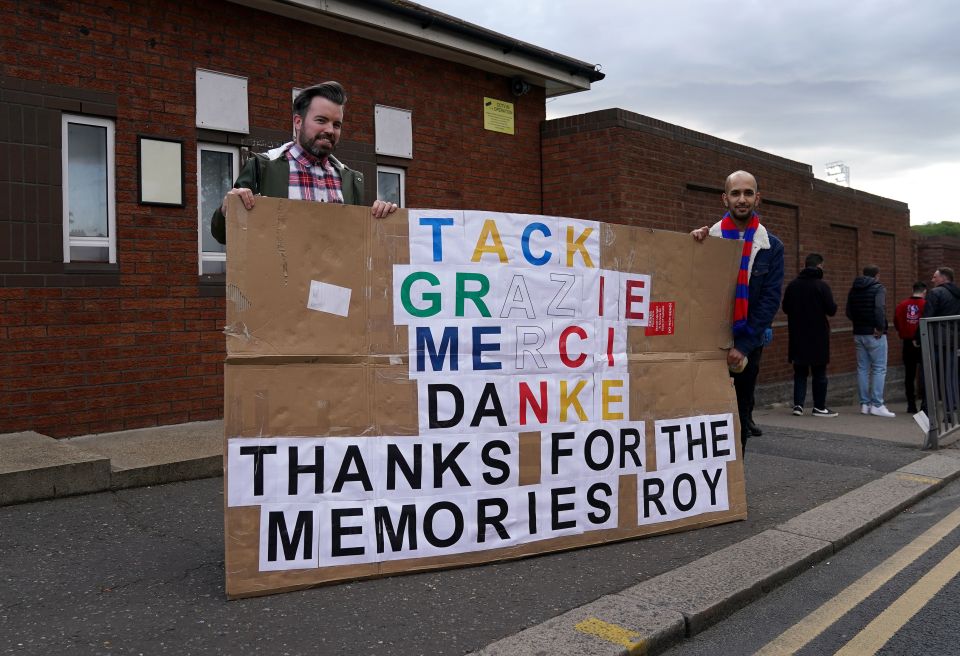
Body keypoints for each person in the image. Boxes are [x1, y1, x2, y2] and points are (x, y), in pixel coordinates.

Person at [211, 81, 396, 244]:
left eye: (336, 124)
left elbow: (357, 243)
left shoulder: (351, 180)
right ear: (298, 122)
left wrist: (381, 220)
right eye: (321, 120)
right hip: (279, 282)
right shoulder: (262, 167)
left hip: (336, 283)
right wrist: (227, 208)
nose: (330, 130)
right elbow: (224, 236)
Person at [691, 170, 785, 450]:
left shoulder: (772, 247)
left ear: (758, 198)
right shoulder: (707, 239)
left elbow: (769, 300)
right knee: (702, 413)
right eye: (735, 193)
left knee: (739, 416)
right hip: (707, 343)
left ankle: (733, 483)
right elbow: (691, 287)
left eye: (747, 193)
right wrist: (689, 246)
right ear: (725, 198)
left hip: (747, 345)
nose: (741, 199)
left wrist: (743, 346)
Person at [782, 253, 838, 417]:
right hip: (818, 336)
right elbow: (831, 310)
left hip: (797, 335)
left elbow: (785, 308)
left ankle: (798, 405)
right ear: (819, 266)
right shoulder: (822, 286)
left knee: (800, 372)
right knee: (819, 373)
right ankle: (819, 407)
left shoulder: (792, 285)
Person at [845, 266, 894, 417]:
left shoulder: (854, 288)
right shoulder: (878, 288)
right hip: (875, 333)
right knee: (879, 368)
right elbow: (880, 308)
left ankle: (864, 404)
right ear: (877, 275)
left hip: (859, 333)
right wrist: (879, 327)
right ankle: (877, 404)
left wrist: (859, 323)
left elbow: (848, 311)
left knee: (862, 369)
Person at [894, 281, 927, 413]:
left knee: (909, 374)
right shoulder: (926, 304)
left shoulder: (902, 305)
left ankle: (911, 405)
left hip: (907, 342)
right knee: (925, 373)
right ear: (924, 291)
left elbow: (896, 322)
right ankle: (925, 404)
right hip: (923, 340)